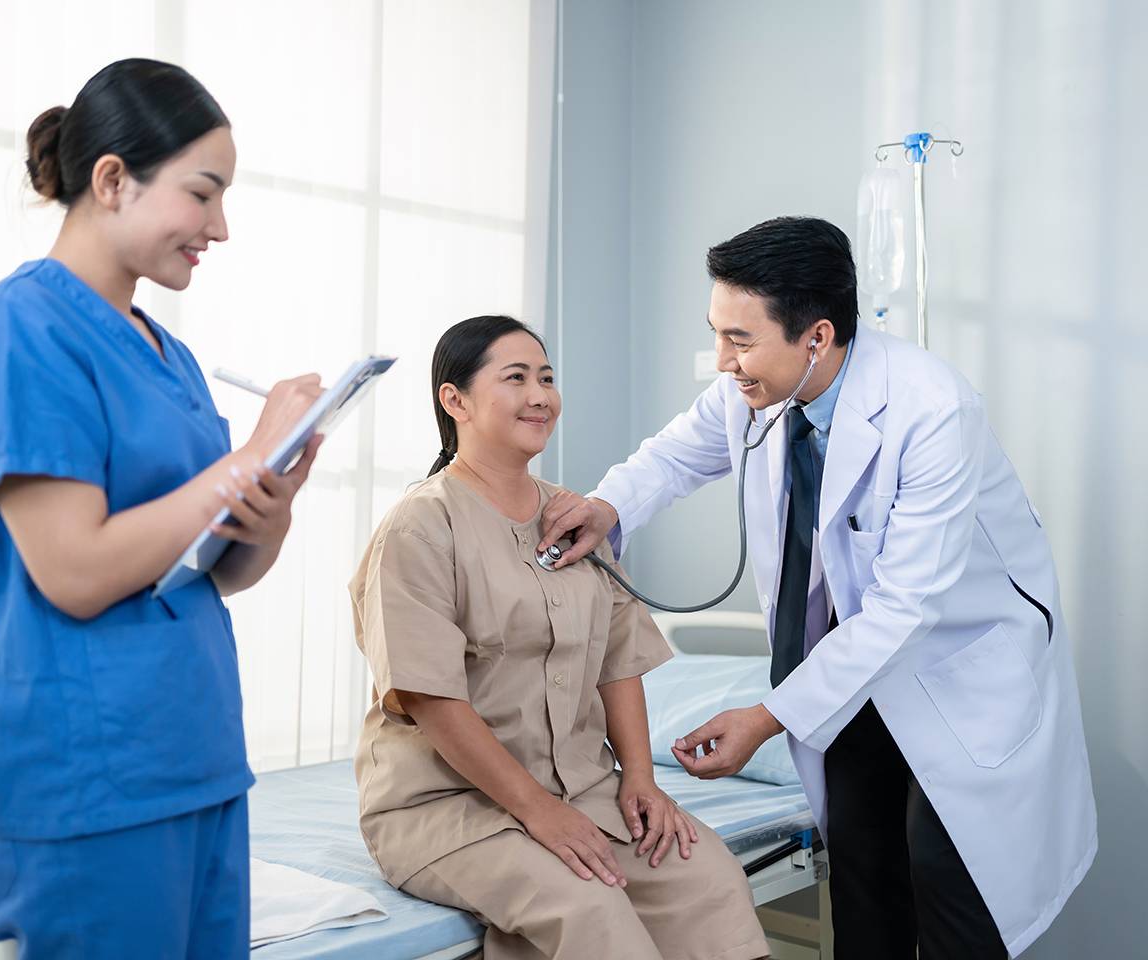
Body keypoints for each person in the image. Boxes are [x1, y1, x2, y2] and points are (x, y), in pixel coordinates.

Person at [537, 217, 1097, 958]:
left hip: (957, 674)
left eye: (740, 340)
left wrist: (767, 717)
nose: (723, 361)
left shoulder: (932, 411)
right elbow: (670, 458)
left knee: (949, 883)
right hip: (848, 677)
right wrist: (606, 506)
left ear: (817, 336)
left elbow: (904, 609)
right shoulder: (753, 394)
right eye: (717, 334)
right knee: (865, 878)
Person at [0, 58, 324, 959]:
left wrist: (269, 509)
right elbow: (76, 572)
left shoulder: (165, 352)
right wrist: (249, 456)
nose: (220, 227)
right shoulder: (14, 335)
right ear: (112, 179)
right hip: (86, 783)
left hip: (195, 760)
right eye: (203, 193)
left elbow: (216, 569)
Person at [350, 315, 770, 960]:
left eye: (546, 377)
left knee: (706, 874)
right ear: (454, 400)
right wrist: (539, 813)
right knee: (587, 903)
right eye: (515, 378)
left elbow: (617, 661)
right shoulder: (420, 528)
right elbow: (431, 696)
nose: (540, 395)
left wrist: (640, 780)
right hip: (448, 806)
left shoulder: (574, 517)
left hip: (583, 789)